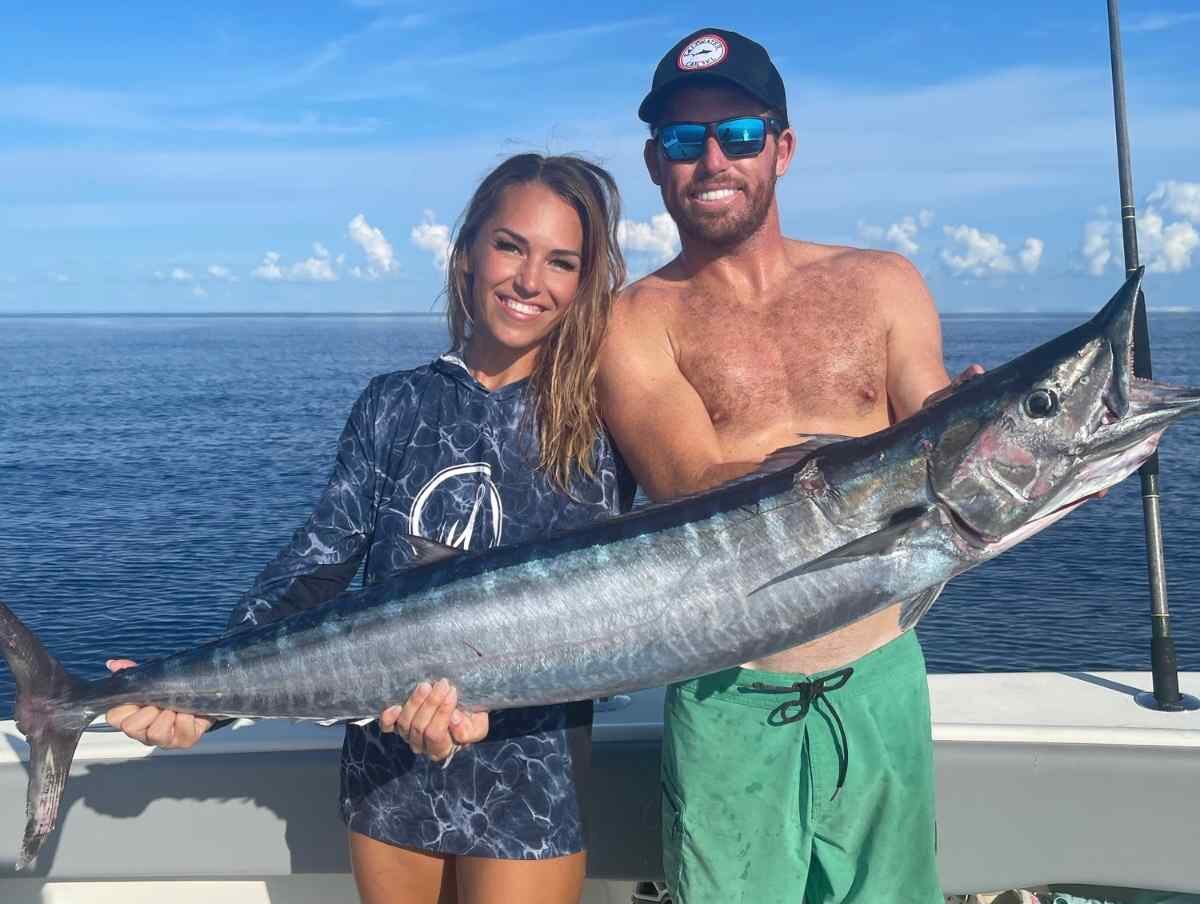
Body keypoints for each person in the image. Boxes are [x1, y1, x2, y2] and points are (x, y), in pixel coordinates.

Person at [105, 152, 634, 904]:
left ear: (583, 285)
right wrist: (202, 695)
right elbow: (314, 569)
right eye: (510, 246)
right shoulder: (395, 402)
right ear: (466, 254)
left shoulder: (604, 420)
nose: (528, 280)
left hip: (531, 771)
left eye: (561, 262)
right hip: (388, 765)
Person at [597, 27, 980, 904]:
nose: (712, 161)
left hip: (883, 678)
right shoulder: (632, 321)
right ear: (657, 164)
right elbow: (693, 484)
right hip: (733, 694)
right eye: (685, 143)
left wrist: (986, 429)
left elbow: (930, 416)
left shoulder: (886, 282)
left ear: (783, 146)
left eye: (737, 133)